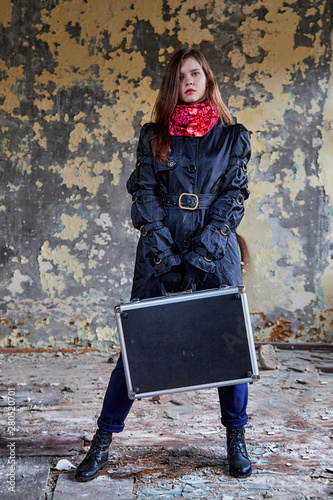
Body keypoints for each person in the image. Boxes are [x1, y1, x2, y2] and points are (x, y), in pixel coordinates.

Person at [75, 48, 252, 482]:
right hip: (160, 242)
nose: (188, 82)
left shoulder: (233, 136)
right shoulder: (153, 134)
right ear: (170, 86)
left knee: (229, 344)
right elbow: (146, 194)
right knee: (139, 344)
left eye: (195, 74)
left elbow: (233, 198)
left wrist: (200, 255)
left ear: (208, 80)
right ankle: (102, 439)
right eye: (179, 76)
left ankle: (236, 437)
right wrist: (165, 254)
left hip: (218, 243)